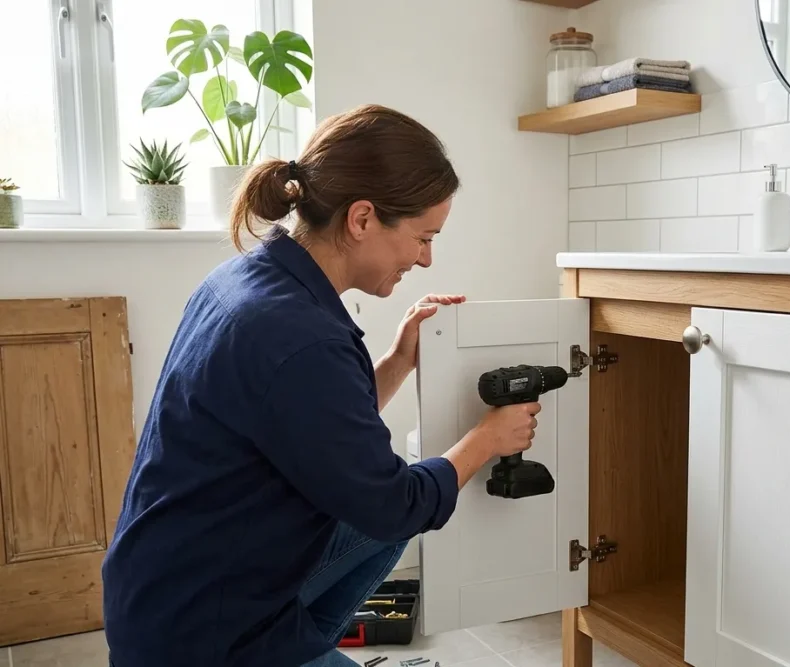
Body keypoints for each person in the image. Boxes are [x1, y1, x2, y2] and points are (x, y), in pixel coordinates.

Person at [100, 104, 540, 667]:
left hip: (166, 588)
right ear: (361, 219)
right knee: (399, 507)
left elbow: (315, 431)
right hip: (199, 637)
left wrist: (399, 359)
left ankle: (303, 646)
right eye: (423, 237)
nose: (426, 259)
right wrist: (488, 438)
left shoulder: (254, 280)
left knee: (376, 514)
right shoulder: (299, 336)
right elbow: (394, 505)